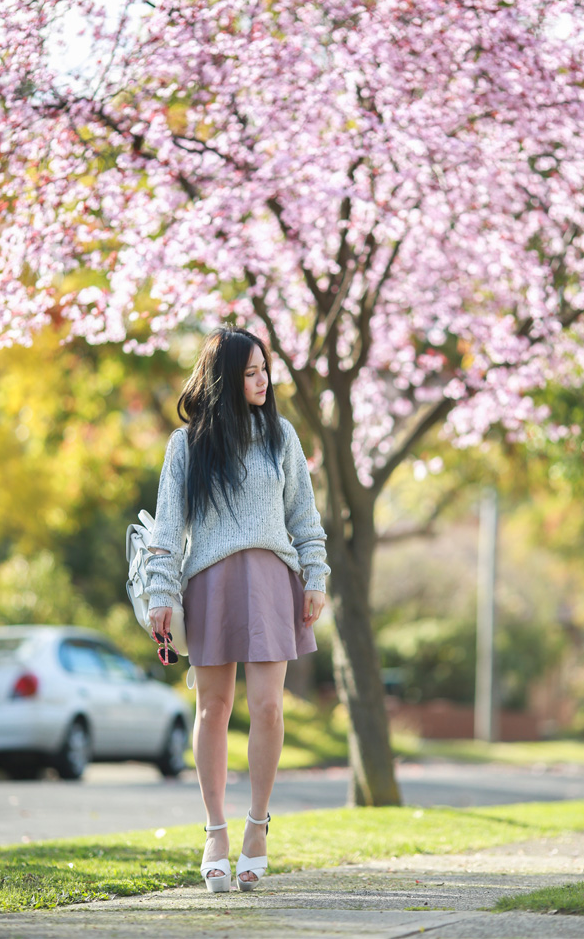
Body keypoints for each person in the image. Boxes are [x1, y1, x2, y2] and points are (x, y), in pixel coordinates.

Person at [146, 326, 329, 893]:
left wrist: (315, 575)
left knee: (269, 709)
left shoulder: (282, 437)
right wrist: (161, 594)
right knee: (214, 709)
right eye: (250, 372)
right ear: (225, 378)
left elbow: (304, 516)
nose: (263, 380)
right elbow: (168, 527)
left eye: (264, 369)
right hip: (211, 583)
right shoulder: (187, 445)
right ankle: (215, 831)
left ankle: (257, 826)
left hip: (274, 581)